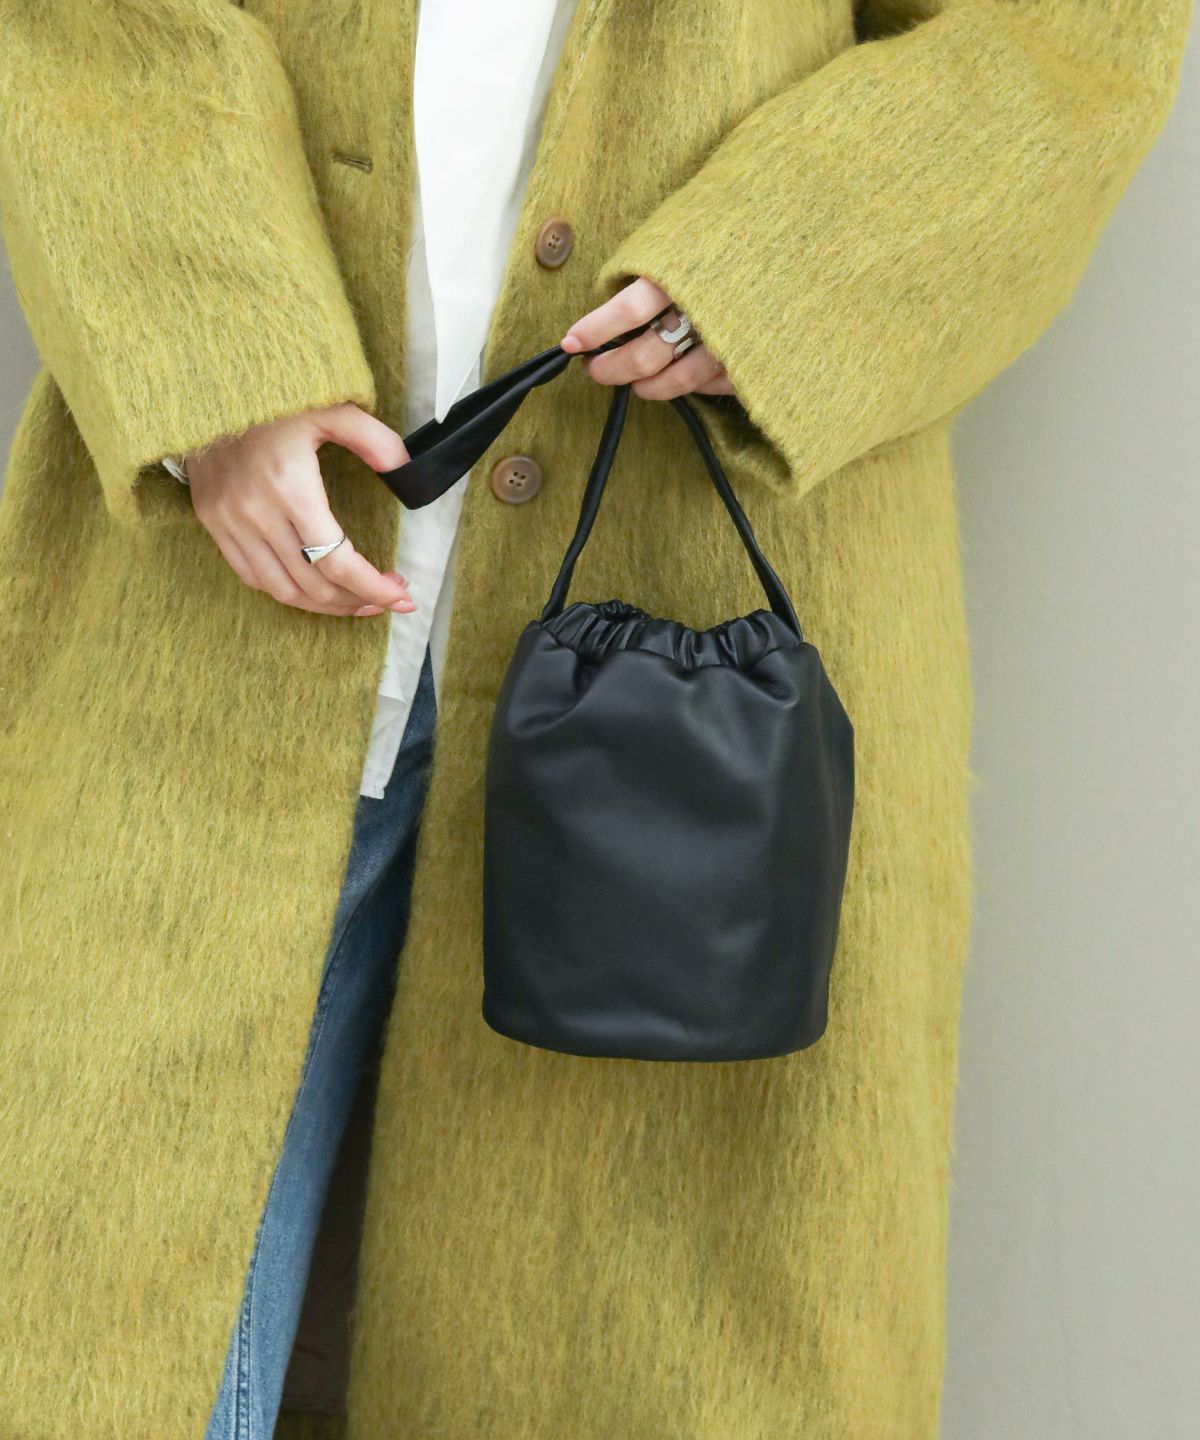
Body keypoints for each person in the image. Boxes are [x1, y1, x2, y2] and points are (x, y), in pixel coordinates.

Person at [0, 2, 1189, 1438]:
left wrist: (785, 264)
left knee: (628, 1344)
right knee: (83, 1310)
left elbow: (1063, 35)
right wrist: (215, 355)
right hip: (215, 594)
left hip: (695, 629)